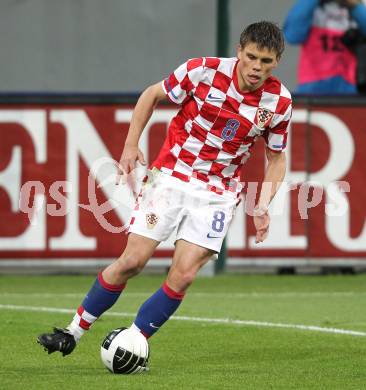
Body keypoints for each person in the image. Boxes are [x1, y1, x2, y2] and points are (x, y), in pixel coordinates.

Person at [37, 21, 291, 361]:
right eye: (252, 57)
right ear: (239, 51)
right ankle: (73, 331)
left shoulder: (279, 101)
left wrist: (262, 205)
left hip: (218, 192)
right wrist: (130, 145)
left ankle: (134, 341)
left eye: (267, 61)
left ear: (277, 61)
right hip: (172, 175)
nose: (257, 67)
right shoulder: (202, 71)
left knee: (184, 274)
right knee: (133, 261)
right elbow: (151, 95)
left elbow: (276, 159)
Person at [284, 0, 366, 94]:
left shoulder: (360, 4)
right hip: (313, 86)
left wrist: (355, 5)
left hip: (349, 86)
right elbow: (293, 36)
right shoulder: (309, 5)